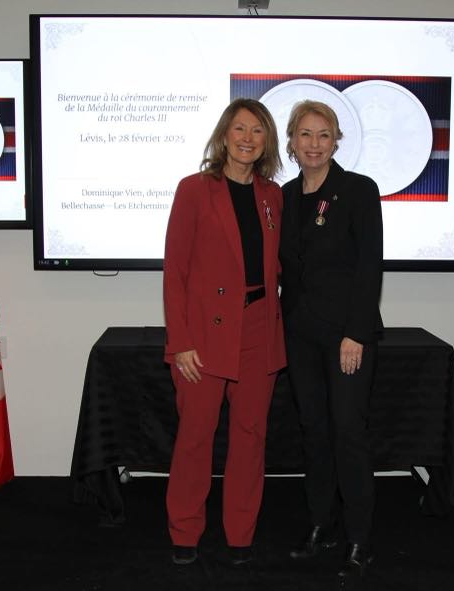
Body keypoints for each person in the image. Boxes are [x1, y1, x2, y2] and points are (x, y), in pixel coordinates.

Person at [162, 98, 285, 567]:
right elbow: (175, 272)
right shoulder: (193, 190)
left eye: (258, 131)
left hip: (258, 327)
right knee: (195, 434)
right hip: (204, 334)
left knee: (250, 437)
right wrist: (181, 343)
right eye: (240, 128)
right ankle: (185, 529)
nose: (248, 138)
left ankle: (239, 533)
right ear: (224, 134)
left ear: (266, 141)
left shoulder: (272, 195)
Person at [278, 100, 383, 583]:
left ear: (336, 140)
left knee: (348, 435)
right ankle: (322, 524)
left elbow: (368, 267)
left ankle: (359, 537)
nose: (314, 144)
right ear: (292, 142)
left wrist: (355, 333)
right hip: (299, 336)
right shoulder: (283, 196)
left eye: (323, 135)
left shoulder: (359, 191)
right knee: (314, 433)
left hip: (347, 339)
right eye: (305, 135)